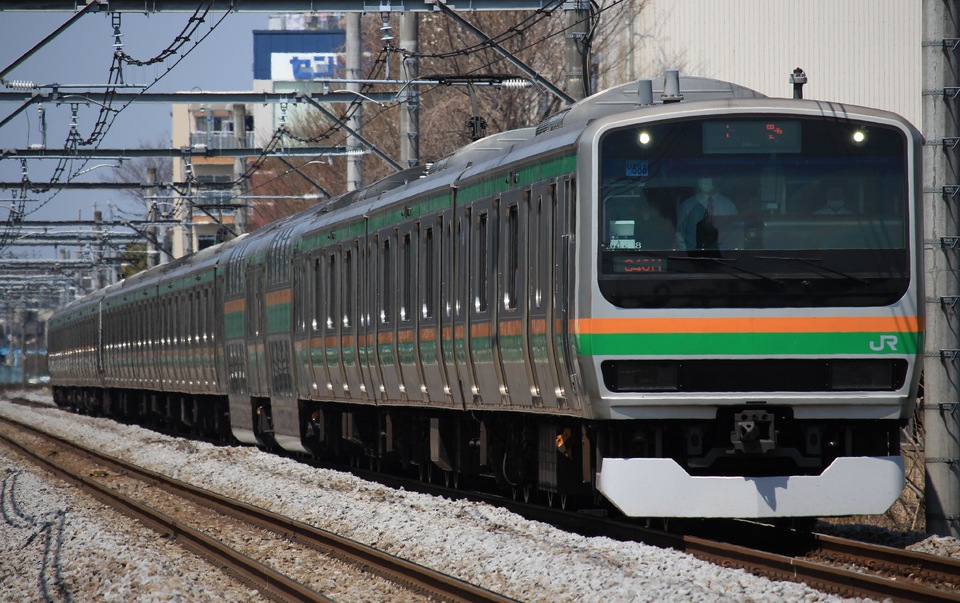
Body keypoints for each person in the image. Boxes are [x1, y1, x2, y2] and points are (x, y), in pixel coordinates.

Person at [675, 177, 737, 251]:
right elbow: (680, 235)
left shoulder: (729, 206)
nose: (703, 180)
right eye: (701, 176)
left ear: (717, 179)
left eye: (707, 176)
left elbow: (735, 234)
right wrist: (687, 256)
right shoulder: (688, 205)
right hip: (693, 256)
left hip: (723, 257)